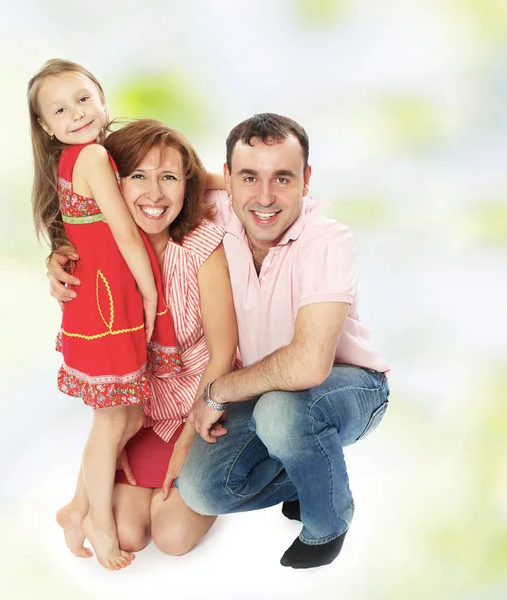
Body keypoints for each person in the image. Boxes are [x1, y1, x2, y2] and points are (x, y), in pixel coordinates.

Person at [178, 113, 390, 569]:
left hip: (349, 387)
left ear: (306, 180)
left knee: (282, 410)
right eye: (249, 177)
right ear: (228, 179)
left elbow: (309, 365)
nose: (266, 198)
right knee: (202, 490)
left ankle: (328, 521)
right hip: (261, 390)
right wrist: (63, 250)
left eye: (283, 178)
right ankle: (308, 473)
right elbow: (152, 188)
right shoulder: (220, 213)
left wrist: (217, 391)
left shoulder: (329, 241)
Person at [46, 120, 238, 558]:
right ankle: (84, 507)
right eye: (138, 177)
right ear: (112, 184)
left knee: (171, 539)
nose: (155, 194)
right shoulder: (95, 254)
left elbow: (224, 351)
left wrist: (189, 438)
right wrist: (55, 263)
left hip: (200, 409)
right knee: (128, 534)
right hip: (140, 415)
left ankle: (206, 479)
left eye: (168, 178)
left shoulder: (201, 244)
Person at [27, 59, 182, 570]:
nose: (76, 113)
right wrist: (150, 292)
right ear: (46, 127)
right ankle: (96, 523)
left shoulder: (87, 156)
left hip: (100, 303)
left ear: (102, 97)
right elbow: (123, 232)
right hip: (110, 305)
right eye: (60, 109)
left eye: (83, 98)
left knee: (128, 414)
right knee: (111, 422)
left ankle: (75, 509)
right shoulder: (91, 156)